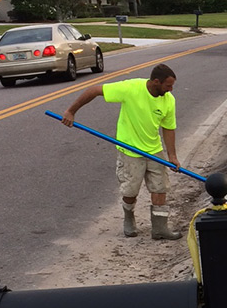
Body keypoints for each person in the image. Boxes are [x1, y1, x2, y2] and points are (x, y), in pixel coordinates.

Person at [62, 63, 181, 240]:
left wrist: (172, 156)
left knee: (160, 188)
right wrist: (71, 111)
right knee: (130, 192)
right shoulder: (131, 88)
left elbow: (169, 128)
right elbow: (94, 90)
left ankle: (159, 228)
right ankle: (129, 218)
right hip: (130, 149)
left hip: (154, 150)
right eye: (168, 86)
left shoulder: (169, 100)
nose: (170, 90)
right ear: (156, 82)